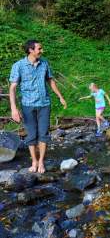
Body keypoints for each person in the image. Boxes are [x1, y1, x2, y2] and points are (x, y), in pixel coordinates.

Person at [9, 40, 67, 173]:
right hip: (28, 106)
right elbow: (12, 88)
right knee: (31, 135)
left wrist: (60, 96)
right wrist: (13, 108)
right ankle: (34, 161)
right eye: (39, 48)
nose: (41, 51)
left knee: (44, 134)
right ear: (31, 50)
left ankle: (41, 162)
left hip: (44, 104)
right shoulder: (18, 66)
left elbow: (50, 81)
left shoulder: (44, 63)